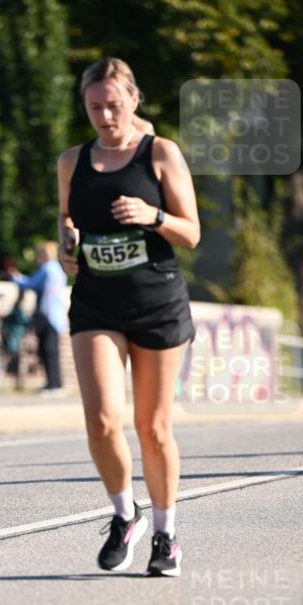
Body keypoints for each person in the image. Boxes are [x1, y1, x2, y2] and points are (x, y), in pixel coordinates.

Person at [58, 56, 199, 577]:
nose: (104, 116)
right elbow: (66, 217)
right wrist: (66, 244)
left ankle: (166, 534)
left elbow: (191, 232)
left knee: (153, 428)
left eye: (113, 105)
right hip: (96, 300)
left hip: (157, 303)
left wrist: (153, 215)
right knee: (100, 421)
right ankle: (125, 514)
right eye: (94, 107)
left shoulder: (160, 154)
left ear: (134, 101)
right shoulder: (72, 161)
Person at [10, 241, 68, 393]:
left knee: (48, 351)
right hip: (55, 316)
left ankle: (54, 385)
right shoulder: (57, 268)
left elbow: (30, 283)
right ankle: (54, 383)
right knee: (51, 350)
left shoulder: (48, 268)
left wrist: (15, 278)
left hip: (48, 315)